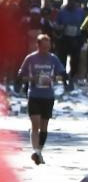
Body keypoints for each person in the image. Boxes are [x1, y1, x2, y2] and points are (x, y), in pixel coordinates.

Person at [19, 33, 65, 164]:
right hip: (34, 95)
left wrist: (53, 78)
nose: (46, 49)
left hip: (48, 96)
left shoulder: (53, 59)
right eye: (43, 47)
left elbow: (62, 74)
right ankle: (35, 150)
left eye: (48, 47)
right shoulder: (31, 58)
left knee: (44, 127)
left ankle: (39, 151)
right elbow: (21, 75)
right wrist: (32, 79)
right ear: (37, 46)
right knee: (35, 124)